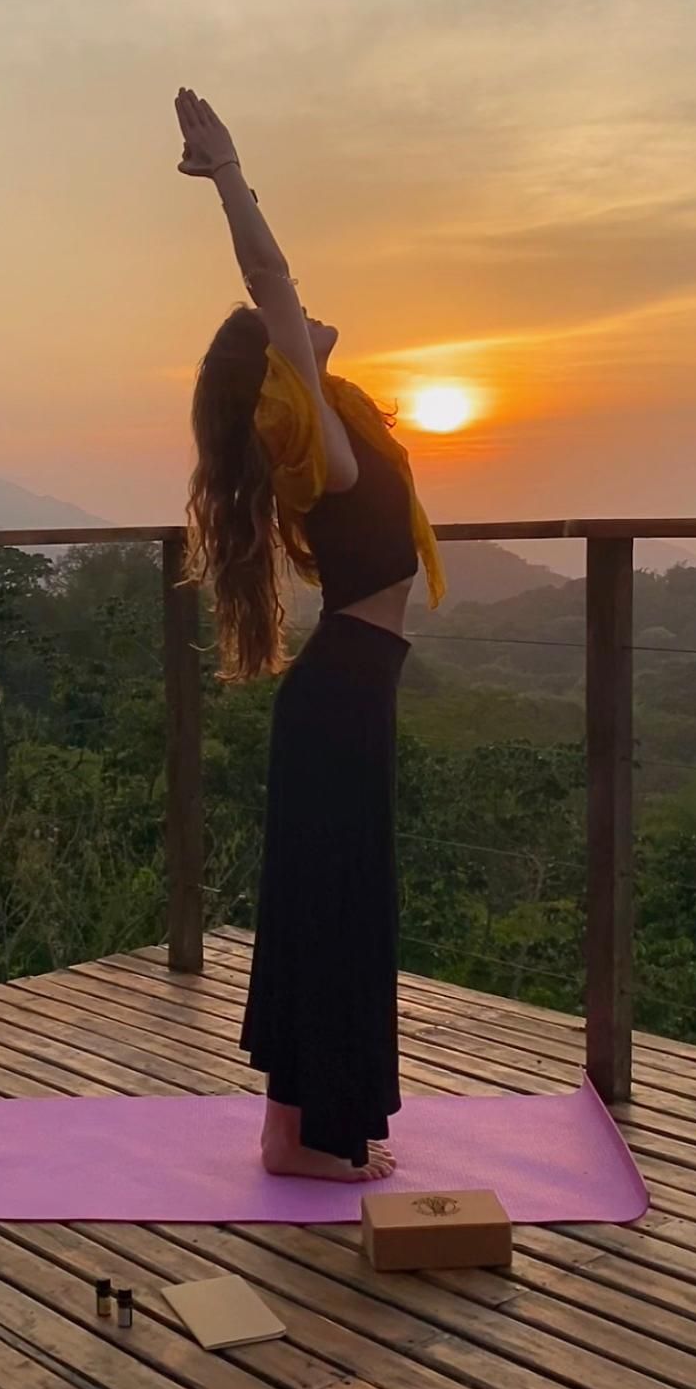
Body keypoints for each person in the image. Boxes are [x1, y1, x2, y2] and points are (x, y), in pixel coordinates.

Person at [177, 87, 446, 1181]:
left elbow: (287, 303)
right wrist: (232, 175)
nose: (309, 316)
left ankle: (292, 1131)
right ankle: (322, 1141)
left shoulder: (330, 433)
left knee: (323, 901)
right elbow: (272, 282)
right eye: (287, 337)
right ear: (279, 371)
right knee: (336, 909)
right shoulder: (319, 446)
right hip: (342, 697)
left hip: (345, 693)